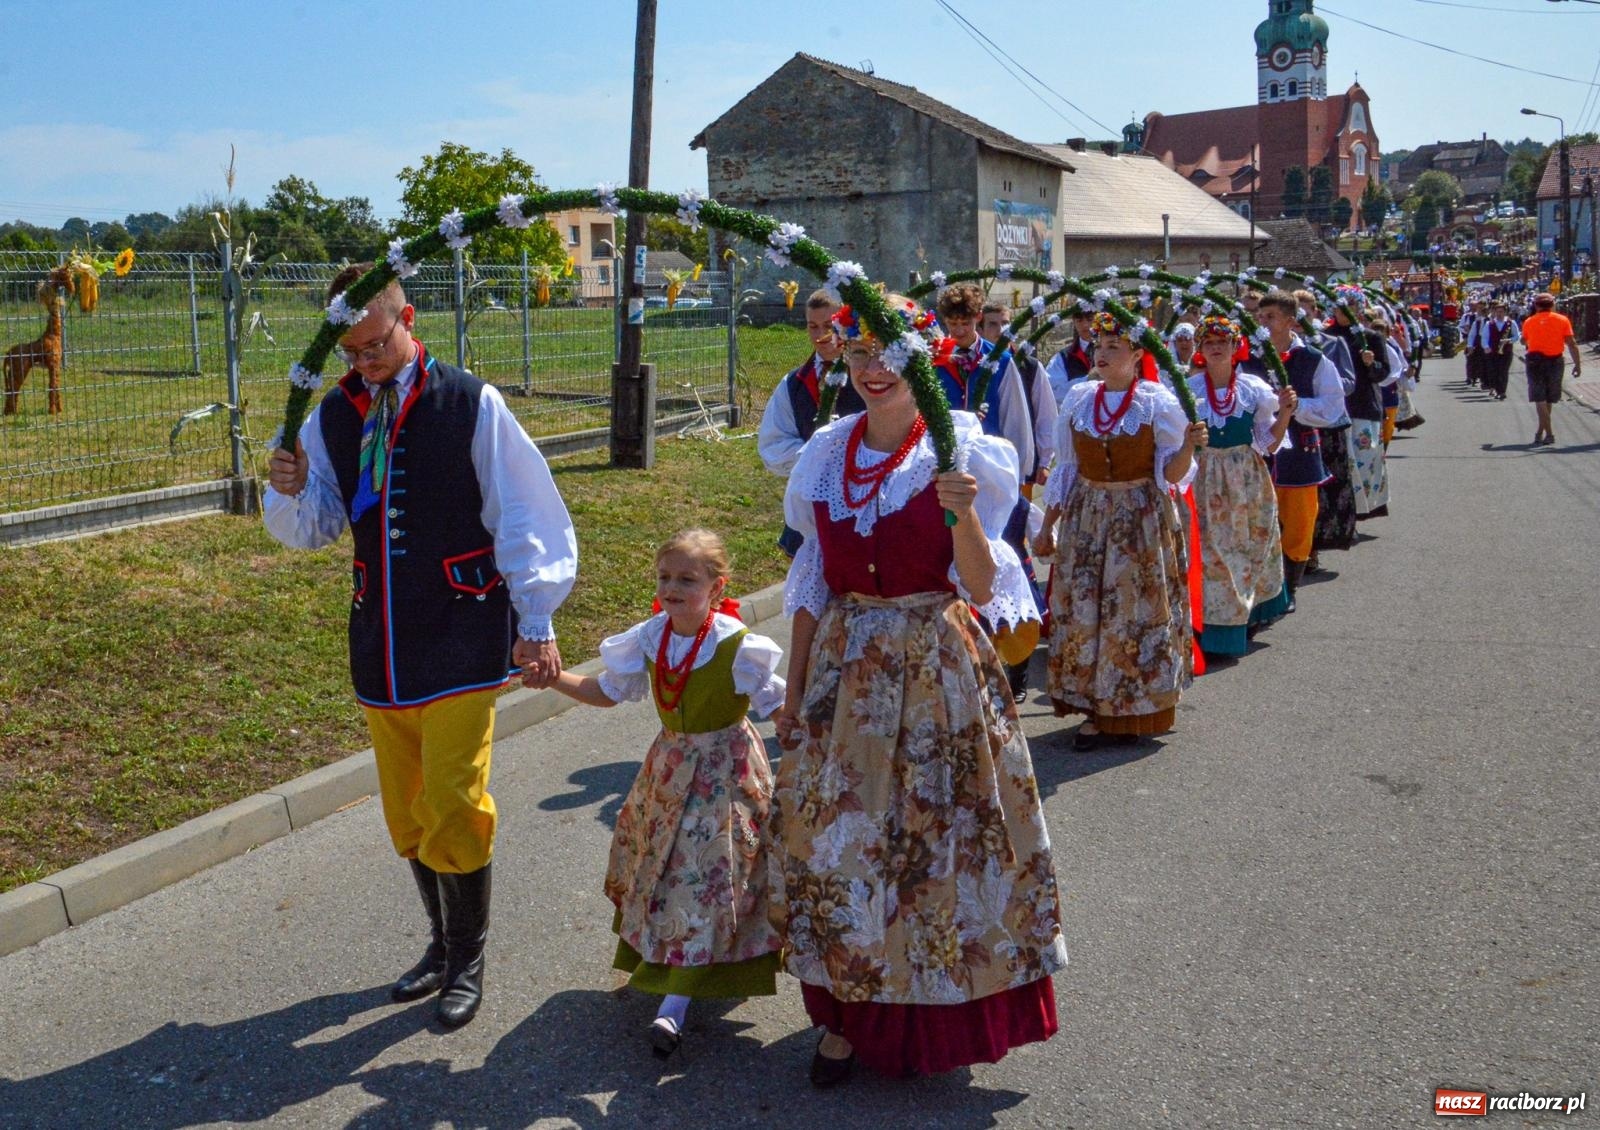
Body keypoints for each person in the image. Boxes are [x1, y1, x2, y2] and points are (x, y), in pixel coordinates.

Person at [264, 263, 577, 1029]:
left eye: (375, 346)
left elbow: (525, 511)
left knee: (454, 800)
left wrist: (536, 620)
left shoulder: (469, 401)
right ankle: (440, 945)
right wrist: (289, 486)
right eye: (351, 352)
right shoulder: (333, 415)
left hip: (464, 630)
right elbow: (317, 526)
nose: (364, 362)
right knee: (407, 810)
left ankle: (469, 958)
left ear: (406, 318)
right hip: (382, 640)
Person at [771, 295, 1066, 1084]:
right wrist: (793, 694)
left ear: (925, 361)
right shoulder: (826, 452)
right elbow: (811, 583)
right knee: (842, 845)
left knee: (937, 847)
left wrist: (962, 514)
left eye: (891, 355)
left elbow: (983, 584)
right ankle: (844, 1018)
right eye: (860, 353)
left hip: (936, 667)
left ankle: (938, 1015)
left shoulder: (959, 445)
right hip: (845, 673)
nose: (873, 370)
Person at [549, 529, 785, 1059]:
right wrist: (552, 678)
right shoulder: (652, 636)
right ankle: (671, 974)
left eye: (687, 579)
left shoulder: (737, 645)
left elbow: (778, 706)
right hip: (670, 768)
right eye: (664, 577)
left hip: (725, 772)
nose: (672, 588)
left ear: (717, 586)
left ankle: (674, 1006)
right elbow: (607, 691)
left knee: (707, 879)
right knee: (662, 873)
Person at [1035, 313, 1207, 749]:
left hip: (1140, 520)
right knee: (1086, 611)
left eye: (1114, 347)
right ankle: (1093, 708)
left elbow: (1172, 475)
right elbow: (1066, 469)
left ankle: (1134, 707)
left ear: (1136, 355)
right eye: (1099, 346)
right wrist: (1047, 527)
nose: (1103, 354)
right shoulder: (1079, 398)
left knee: (1132, 614)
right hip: (1087, 518)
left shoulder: (1156, 402)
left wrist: (1188, 445)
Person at [1186, 316, 1294, 659]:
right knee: (1211, 554)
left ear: (1236, 347)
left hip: (1246, 479)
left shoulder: (1252, 388)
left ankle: (1244, 618)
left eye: (1223, 342)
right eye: (1209, 343)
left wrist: (1285, 413)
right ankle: (1213, 631)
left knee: (1247, 549)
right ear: (1200, 349)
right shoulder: (1189, 390)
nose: (1216, 348)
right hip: (1205, 479)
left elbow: (1268, 444)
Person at [1247, 290, 1347, 609]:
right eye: (1259, 317)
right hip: (1257, 452)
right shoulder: (1247, 357)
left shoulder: (1314, 359)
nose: (1262, 323)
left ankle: (1290, 587)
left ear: (1291, 322)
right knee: (1258, 520)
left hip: (1300, 453)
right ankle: (1262, 589)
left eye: (1270, 317)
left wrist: (1298, 405)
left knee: (1299, 523)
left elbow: (1333, 406)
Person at [758, 290, 865, 557]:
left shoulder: (870, 376)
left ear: (846, 324)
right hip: (810, 504)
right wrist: (816, 454)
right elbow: (773, 446)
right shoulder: (794, 383)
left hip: (863, 502)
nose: (820, 336)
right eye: (812, 326)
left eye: (829, 326)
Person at [1322, 290, 1391, 520]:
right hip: (1335, 408)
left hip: (1363, 406)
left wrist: (1371, 364)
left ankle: (1363, 509)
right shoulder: (1325, 337)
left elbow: (1383, 373)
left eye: (1350, 304)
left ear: (1359, 307)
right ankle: (1342, 513)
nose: (1344, 309)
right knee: (1338, 465)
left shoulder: (1371, 337)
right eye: (1339, 304)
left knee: (1364, 461)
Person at [1521, 293, 1578, 446]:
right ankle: (1544, 433)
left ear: (1536, 306)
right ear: (1552, 305)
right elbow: (1571, 343)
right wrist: (1577, 364)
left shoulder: (1529, 321)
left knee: (1540, 399)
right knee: (1549, 398)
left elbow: (1523, 340)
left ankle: (1546, 433)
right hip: (1555, 362)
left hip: (1535, 362)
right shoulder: (1562, 320)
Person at [1044, 310, 1096, 406]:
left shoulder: (1113, 352)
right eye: (1079, 320)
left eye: (1090, 319)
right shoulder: (1063, 357)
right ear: (1074, 322)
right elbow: (1053, 392)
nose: (1085, 325)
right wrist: (1087, 380)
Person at [1474, 300, 1518, 401]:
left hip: (1506, 351)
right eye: (1497, 311)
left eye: (1501, 311)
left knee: (1503, 371)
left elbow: (1517, 336)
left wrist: (1509, 340)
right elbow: (1484, 337)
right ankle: (1497, 390)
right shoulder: (1489, 323)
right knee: (1494, 371)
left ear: (1505, 312)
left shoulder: (1511, 323)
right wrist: (1486, 347)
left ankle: (1502, 392)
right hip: (1492, 351)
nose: (1499, 314)